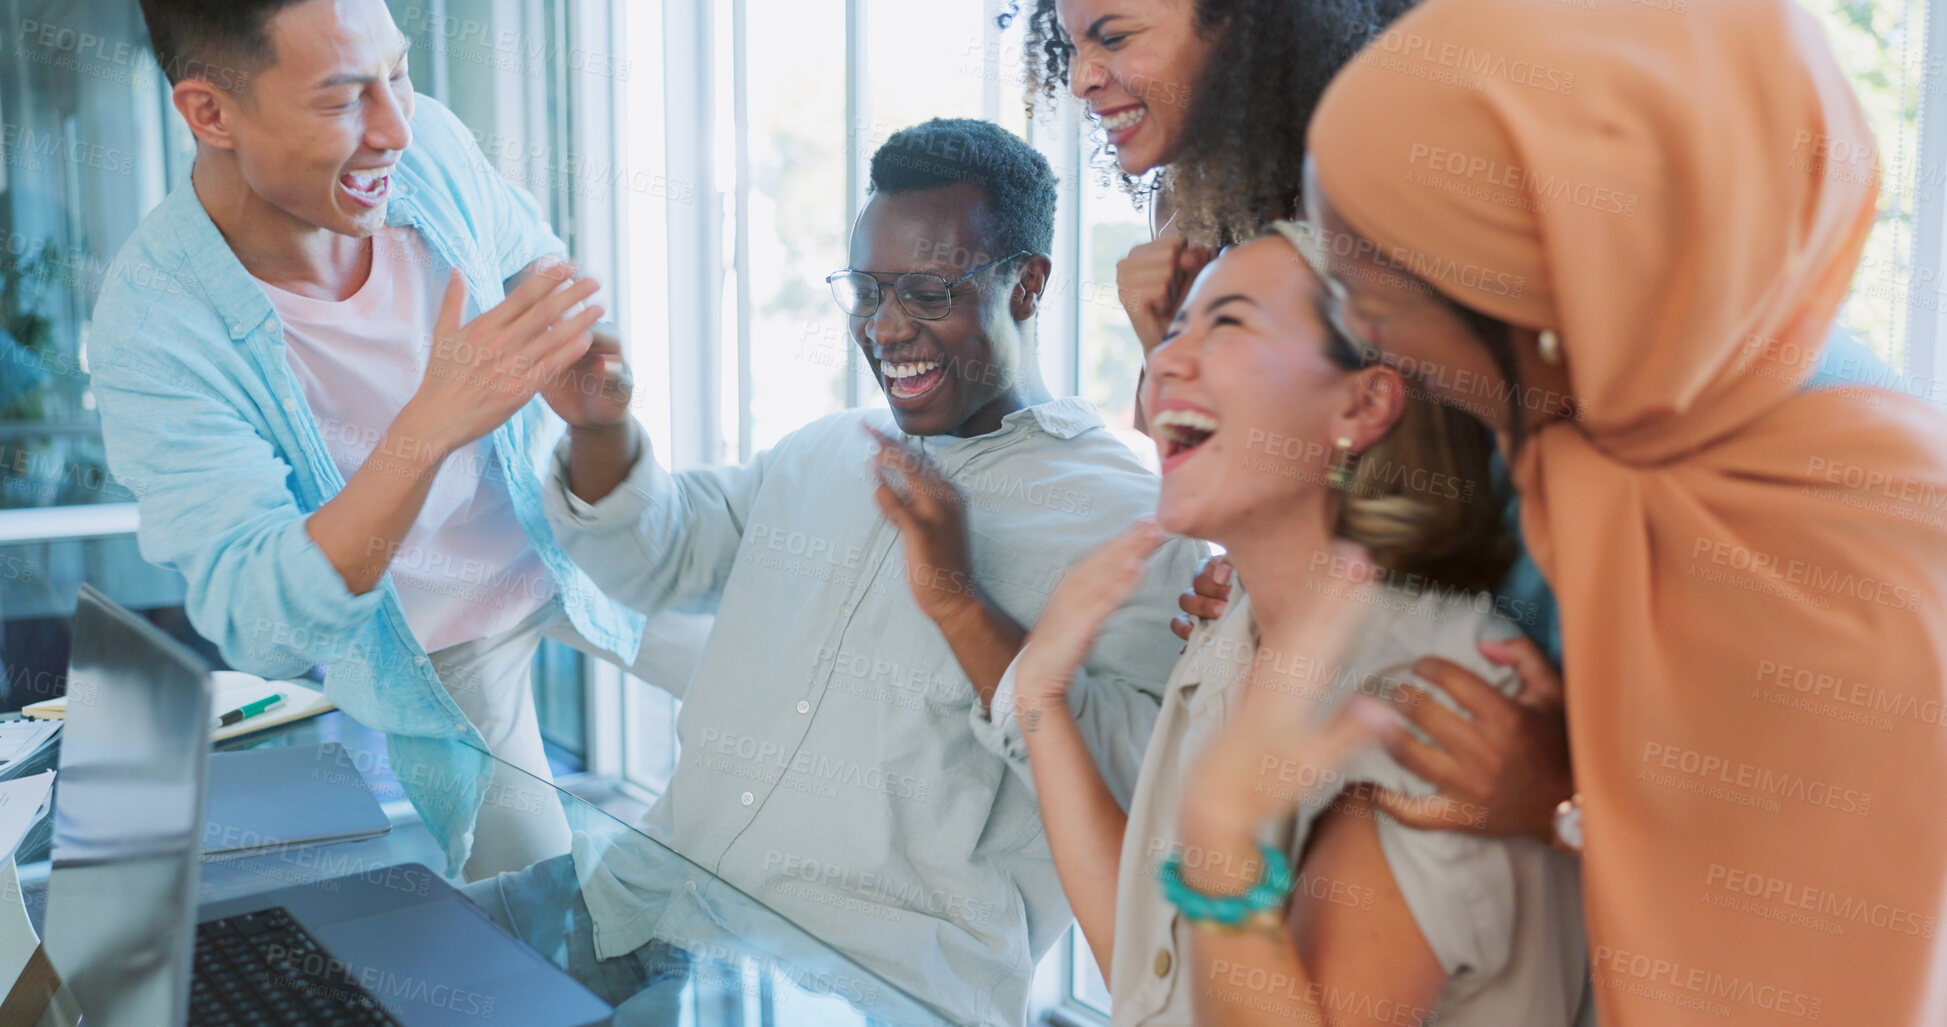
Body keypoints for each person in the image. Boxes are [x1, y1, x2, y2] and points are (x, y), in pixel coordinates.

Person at [1248, 0, 1947, 1021]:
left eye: (1377, 294)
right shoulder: (1603, 426)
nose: (1368, 339)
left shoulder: (1846, 557)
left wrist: (1567, 802)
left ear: (1542, 294)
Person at [526, 118, 1204, 1027]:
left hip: (859, 994)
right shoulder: (827, 450)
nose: (885, 329)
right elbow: (661, 555)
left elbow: (1137, 790)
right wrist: (598, 429)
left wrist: (960, 603)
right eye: (867, 291)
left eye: (926, 291)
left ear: (1028, 284)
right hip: (642, 909)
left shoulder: (1133, 522)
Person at [95, 0, 680, 879]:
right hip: (439, 647)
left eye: (398, 73)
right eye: (342, 101)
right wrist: (428, 425)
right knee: (544, 921)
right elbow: (265, 620)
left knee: (807, 691)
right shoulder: (154, 325)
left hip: (568, 548)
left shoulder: (428, 146)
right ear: (210, 114)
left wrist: (573, 374)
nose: (398, 128)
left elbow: (529, 259)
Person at [1003, 227, 1585, 1025]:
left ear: (1362, 403)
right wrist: (1039, 692)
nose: (1163, 360)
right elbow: (1150, 986)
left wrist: (1223, 837)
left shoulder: (1429, 704)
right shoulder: (1233, 632)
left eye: (1228, 324)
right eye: (1173, 330)